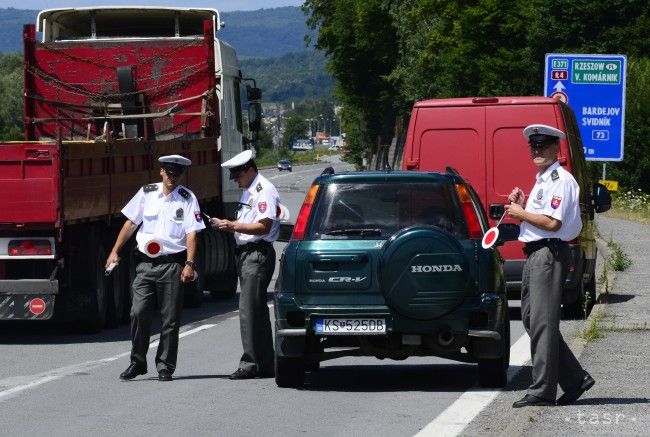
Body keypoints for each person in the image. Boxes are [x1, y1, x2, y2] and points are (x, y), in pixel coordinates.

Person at [505, 124, 595, 407]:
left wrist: (521, 212)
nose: (537, 150)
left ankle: (543, 390)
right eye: (534, 146)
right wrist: (523, 208)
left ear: (557, 149)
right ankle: (575, 378)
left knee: (542, 321)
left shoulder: (559, 179)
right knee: (533, 319)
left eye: (543, 145)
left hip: (549, 253)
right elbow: (541, 219)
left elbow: (552, 223)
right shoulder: (544, 180)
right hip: (537, 253)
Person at [106, 154, 205, 382]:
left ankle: (165, 366)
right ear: (161, 171)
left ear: (181, 175)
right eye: (168, 172)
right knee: (138, 312)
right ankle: (137, 362)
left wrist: (189, 264)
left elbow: (192, 233)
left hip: (172, 264)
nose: (172, 177)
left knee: (170, 319)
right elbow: (131, 223)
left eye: (177, 173)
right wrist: (115, 251)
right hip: (145, 264)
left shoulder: (187, 198)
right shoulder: (147, 192)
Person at [211, 149, 279, 379]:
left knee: (248, 311)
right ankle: (266, 363)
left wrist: (231, 226)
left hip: (256, 254)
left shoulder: (264, 190)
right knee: (256, 311)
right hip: (247, 254)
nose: (236, 181)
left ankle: (250, 363)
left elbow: (264, 226)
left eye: (239, 176)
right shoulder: (250, 191)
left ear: (250, 170)